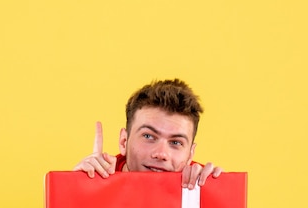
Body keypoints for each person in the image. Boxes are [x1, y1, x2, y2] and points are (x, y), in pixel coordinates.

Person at [73, 79, 222, 189]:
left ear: (190, 155)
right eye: (149, 136)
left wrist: (217, 195)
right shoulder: (94, 183)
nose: (161, 154)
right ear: (124, 142)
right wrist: (73, 190)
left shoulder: (201, 186)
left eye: (176, 142)